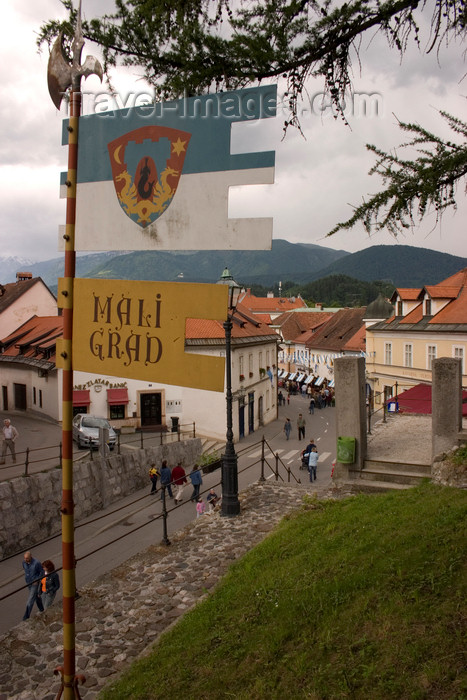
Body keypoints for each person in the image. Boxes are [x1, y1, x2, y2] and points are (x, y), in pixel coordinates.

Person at [22, 551, 44, 620]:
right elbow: (25, 570)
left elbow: (42, 572)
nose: (26, 560)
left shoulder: (36, 563)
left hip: (34, 583)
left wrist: (37, 580)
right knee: (36, 596)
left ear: (31, 557)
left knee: (30, 599)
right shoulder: (24, 563)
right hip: (29, 582)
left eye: (27, 558)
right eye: (25, 558)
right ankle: (42, 609)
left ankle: (26, 617)